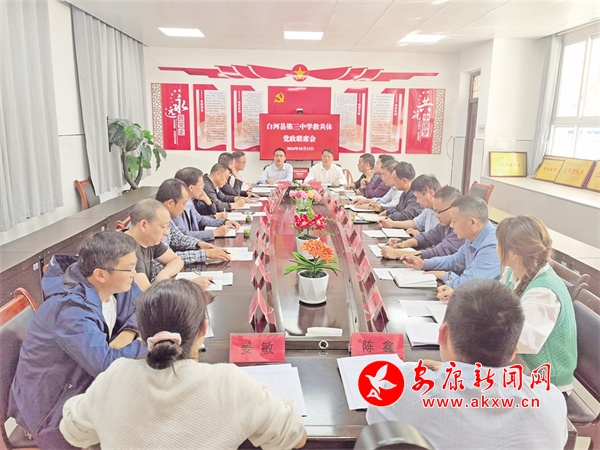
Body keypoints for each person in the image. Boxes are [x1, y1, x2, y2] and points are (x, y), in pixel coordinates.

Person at [60, 279, 308, 450]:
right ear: (203, 330)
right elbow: (295, 437)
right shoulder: (229, 383)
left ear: (142, 336)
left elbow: (73, 431)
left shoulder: (115, 376)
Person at [366, 279, 568, 449]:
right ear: (513, 352)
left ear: (442, 334)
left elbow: (376, 425)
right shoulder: (551, 400)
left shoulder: (400, 388)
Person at [9, 231, 147, 449]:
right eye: (129, 268)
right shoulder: (70, 310)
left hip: (80, 382)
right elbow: (105, 364)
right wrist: (153, 347)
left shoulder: (113, 286)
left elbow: (142, 304)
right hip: (52, 410)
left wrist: (127, 333)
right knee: (143, 423)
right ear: (101, 274)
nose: (134, 273)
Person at [496, 216, 577, 392]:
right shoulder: (513, 272)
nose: (496, 248)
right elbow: (495, 303)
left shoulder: (544, 291)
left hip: (545, 384)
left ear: (513, 252)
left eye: (498, 243)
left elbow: (521, 341)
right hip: (521, 368)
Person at [402, 195, 500, 294]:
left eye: (454, 221)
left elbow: (466, 285)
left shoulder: (493, 246)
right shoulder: (473, 235)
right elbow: (455, 260)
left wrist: (443, 275)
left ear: (472, 223)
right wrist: (425, 264)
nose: (451, 225)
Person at [155, 179, 230, 279]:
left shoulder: (165, 216)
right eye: (183, 204)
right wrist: (205, 253)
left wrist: (199, 244)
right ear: (171, 203)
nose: (184, 208)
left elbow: (179, 238)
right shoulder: (154, 222)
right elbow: (168, 258)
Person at [381, 186, 465, 261]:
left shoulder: (462, 229)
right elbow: (427, 237)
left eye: (439, 212)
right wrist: (402, 243)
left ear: (453, 209)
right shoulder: (444, 224)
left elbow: (437, 253)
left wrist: (397, 254)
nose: (436, 216)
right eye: (435, 212)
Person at [124, 199, 185, 291]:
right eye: (163, 226)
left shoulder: (149, 240)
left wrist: (163, 275)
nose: (166, 232)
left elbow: (176, 260)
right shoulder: (127, 249)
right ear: (143, 225)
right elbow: (147, 293)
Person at [174, 167, 240, 241]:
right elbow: (183, 235)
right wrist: (214, 233)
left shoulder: (189, 201)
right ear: (191, 188)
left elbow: (199, 219)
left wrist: (224, 222)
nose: (203, 188)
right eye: (201, 185)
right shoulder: (175, 205)